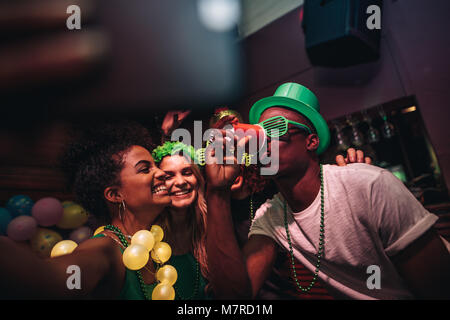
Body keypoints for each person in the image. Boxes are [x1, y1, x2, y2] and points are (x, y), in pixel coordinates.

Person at [205, 83, 450, 299]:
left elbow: (439, 290)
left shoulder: (370, 185)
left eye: (277, 128)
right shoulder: (270, 217)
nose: (263, 139)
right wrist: (217, 192)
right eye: (259, 132)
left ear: (311, 142)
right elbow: (236, 295)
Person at [0, 121, 171, 299]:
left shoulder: (154, 246)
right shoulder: (105, 249)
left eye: (156, 165)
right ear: (114, 194)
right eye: (145, 169)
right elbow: (54, 278)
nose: (161, 172)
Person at [151, 141, 210, 299]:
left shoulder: (211, 227)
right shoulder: (147, 237)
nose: (181, 182)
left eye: (187, 172)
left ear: (197, 177)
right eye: (168, 176)